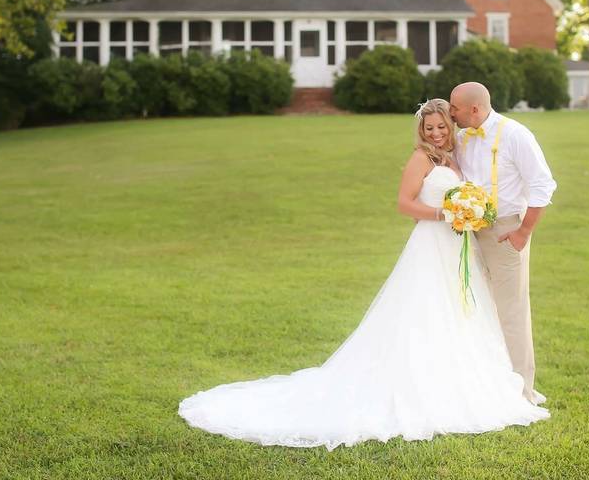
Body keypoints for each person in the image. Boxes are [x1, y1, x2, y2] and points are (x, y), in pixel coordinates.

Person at [178, 98, 549, 450]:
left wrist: (467, 213)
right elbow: (405, 204)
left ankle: (476, 381)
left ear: (452, 126)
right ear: (422, 130)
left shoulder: (456, 156)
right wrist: (446, 214)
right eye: (430, 127)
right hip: (432, 243)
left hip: (456, 247)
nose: (436, 133)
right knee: (424, 311)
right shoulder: (421, 158)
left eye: (441, 126)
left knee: (463, 311)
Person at [450, 82, 557, 405]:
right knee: (476, 307)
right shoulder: (459, 137)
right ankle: (486, 383)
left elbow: (543, 184)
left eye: (454, 108)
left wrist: (523, 231)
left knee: (512, 311)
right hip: (466, 232)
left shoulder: (515, 135)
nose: (450, 113)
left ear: (474, 109)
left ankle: (521, 392)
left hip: (506, 230)